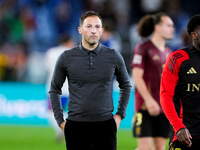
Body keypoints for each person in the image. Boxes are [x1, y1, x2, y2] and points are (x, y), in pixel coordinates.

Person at [49, 11, 131, 150]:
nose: (93, 30)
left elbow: (126, 85)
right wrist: (60, 121)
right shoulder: (66, 57)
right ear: (80, 30)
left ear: (102, 31)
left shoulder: (113, 56)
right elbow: (54, 89)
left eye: (97, 27)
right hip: (75, 126)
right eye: (89, 26)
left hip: (106, 126)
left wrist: (119, 115)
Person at [131, 13, 175, 150]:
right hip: (145, 107)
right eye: (168, 25)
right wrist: (149, 100)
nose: (172, 29)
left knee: (160, 147)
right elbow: (137, 76)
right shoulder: (143, 48)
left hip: (165, 108)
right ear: (158, 27)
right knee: (144, 147)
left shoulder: (169, 52)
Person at [160, 14, 200, 150]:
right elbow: (165, 95)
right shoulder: (177, 59)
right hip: (185, 136)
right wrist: (178, 127)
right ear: (194, 35)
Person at [45, 34, 75, 143]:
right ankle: (68, 130)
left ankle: (60, 130)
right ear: (68, 41)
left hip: (53, 88)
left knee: (51, 111)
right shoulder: (73, 53)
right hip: (68, 88)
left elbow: (48, 69)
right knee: (67, 112)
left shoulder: (50, 52)